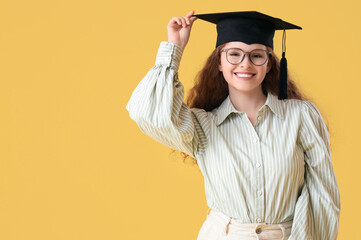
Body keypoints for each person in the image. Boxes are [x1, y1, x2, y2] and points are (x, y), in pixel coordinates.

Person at [126, 10, 340, 240]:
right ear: (219, 62)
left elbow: (323, 197)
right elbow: (148, 114)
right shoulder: (203, 125)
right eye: (234, 54)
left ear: (269, 64)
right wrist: (174, 49)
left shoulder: (302, 117)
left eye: (257, 55)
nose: (245, 64)